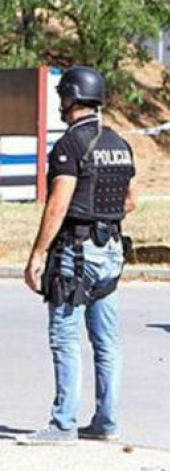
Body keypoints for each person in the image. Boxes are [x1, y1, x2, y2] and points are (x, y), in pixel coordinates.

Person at [19, 66, 137, 445]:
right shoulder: (119, 142)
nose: (60, 103)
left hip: (76, 252)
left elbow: (58, 203)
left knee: (64, 336)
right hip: (111, 250)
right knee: (106, 340)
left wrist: (37, 254)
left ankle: (63, 424)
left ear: (71, 97)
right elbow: (131, 200)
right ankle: (105, 422)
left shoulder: (70, 145)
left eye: (62, 97)